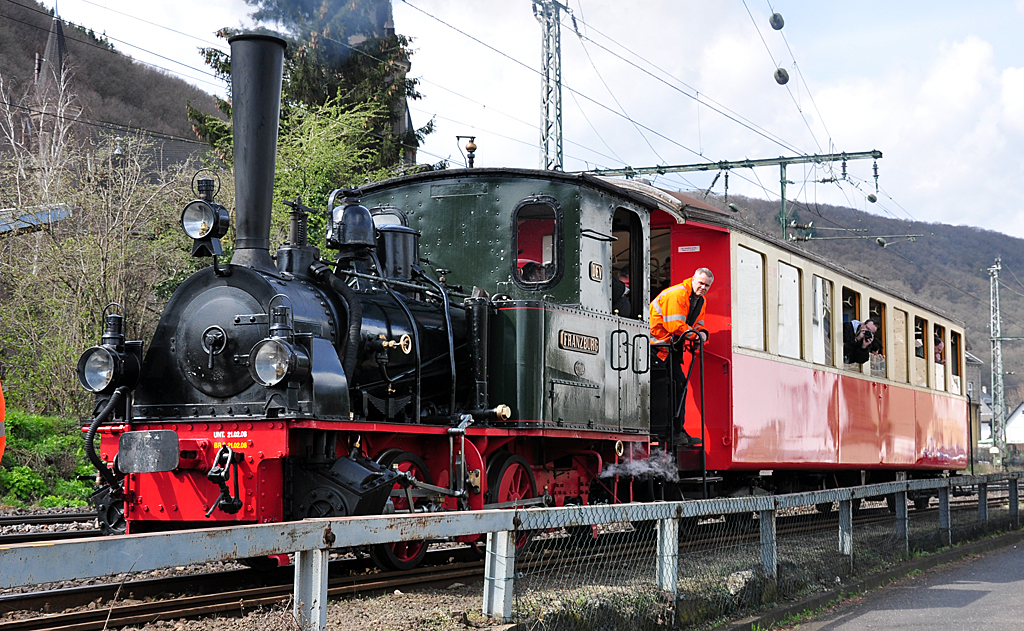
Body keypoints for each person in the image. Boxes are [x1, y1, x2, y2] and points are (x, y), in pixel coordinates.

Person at [649, 268, 713, 447]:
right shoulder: (677, 294)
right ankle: (670, 432)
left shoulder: (700, 301)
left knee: (678, 386)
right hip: (655, 347)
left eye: (707, 285)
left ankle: (676, 431)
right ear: (693, 279)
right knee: (671, 387)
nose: (703, 287)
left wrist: (703, 334)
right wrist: (696, 336)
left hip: (668, 348)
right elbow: (674, 325)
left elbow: (698, 325)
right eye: (700, 283)